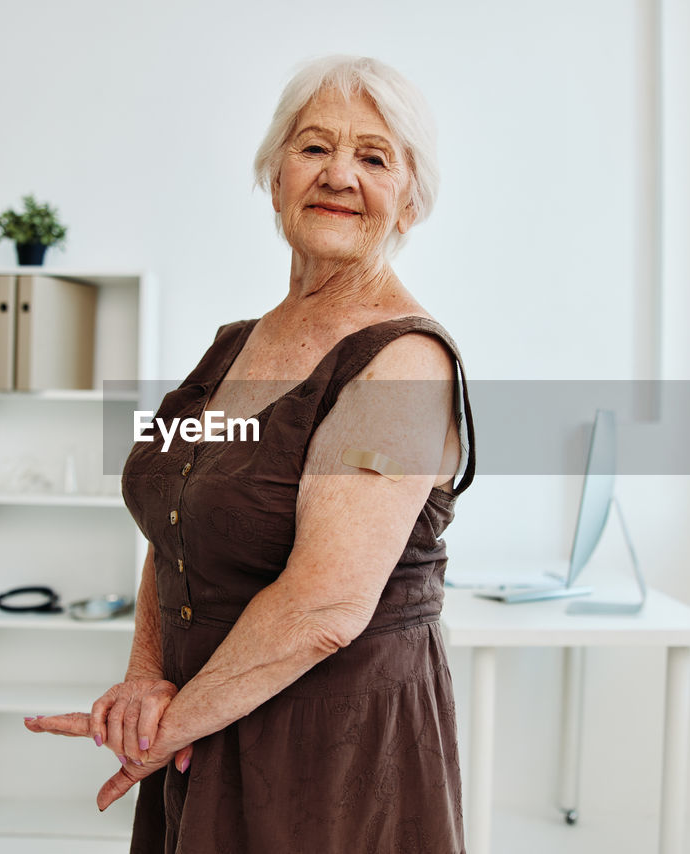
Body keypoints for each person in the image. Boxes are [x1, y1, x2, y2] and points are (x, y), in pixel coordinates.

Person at [26, 54, 477, 853]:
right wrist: (144, 678)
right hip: (203, 722)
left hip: (330, 742)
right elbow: (178, 524)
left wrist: (166, 728)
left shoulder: (406, 361)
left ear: (410, 202)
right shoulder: (233, 349)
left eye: (373, 158)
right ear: (274, 178)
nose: (339, 174)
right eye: (313, 147)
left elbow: (325, 607)